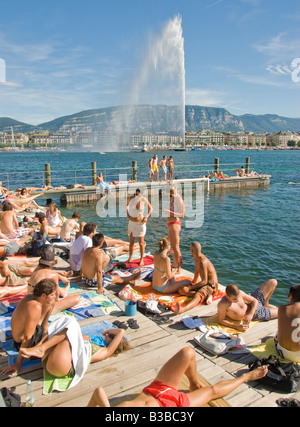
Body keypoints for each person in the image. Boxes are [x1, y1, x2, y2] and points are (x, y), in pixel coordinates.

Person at [87, 347, 268, 407]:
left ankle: (194, 381)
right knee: (212, 392)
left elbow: (98, 391)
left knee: (187, 352)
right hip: (171, 403)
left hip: (154, 389)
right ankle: (247, 377)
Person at [19, 323, 129, 381]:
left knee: (70, 325)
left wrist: (107, 330)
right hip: (53, 358)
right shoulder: (95, 343)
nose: (105, 335)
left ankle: (40, 349)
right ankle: (40, 348)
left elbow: (121, 331)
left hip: (63, 366)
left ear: (114, 342)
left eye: (110, 336)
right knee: (65, 323)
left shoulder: (104, 352)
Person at [0, 279, 58, 376]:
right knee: (60, 338)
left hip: (21, 337)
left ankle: (45, 333)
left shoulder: (29, 297)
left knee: (51, 304)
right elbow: (27, 337)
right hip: (23, 344)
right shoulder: (35, 307)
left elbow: (39, 328)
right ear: (43, 295)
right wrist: (18, 364)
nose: (55, 297)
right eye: (52, 295)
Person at [175, 242, 219, 315]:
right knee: (181, 290)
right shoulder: (196, 258)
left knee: (198, 295)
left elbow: (204, 281)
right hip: (205, 284)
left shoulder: (202, 262)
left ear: (192, 251)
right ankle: (206, 296)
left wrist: (190, 288)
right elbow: (196, 272)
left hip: (212, 285)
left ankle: (182, 310)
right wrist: (192, 283)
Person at [127, 189, 152, 266]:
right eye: (137, 194)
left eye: (140, 195)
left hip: (141, 224)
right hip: (132, 222)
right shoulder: (131, 199)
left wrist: (146, 216)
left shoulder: (144, 200)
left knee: (141, 242)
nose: (138, 196)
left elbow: (150, 208)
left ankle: (141, 259)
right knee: (131, 242)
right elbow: (126, 205)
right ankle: (130, 257)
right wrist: (127, 214)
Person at [275, 285, 300, 362]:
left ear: (291, 296)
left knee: (277, 334)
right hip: (298, 356)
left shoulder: (281, 308)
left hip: (281, 352)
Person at [163, 185, 184, 271]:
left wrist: (169, 212)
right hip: (170, 223)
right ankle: (175, 263)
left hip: (175, 224)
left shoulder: (179, 200)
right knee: (172, 246)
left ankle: (179, 267)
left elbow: (182, 215)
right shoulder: (173, 200)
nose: (169, 197)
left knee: (176, 247)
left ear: (174, 193)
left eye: (170, 195)